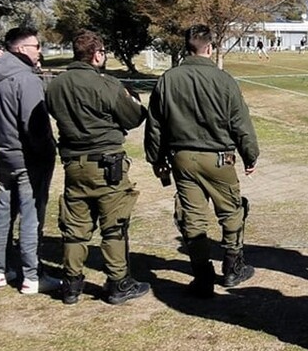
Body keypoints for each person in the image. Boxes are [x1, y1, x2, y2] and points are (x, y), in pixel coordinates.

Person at [145, 25, 260, 298]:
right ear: (209, 47)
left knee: (192, 217)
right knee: (231, 212)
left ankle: (202, 275)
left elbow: (155, 124)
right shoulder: (224, 80)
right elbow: (240, 122)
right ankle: (232, 267)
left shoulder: (168, 79)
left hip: (182, 159)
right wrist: (250, 155)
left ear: (187, 48)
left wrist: (155, 158)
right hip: (218, 158)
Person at [45, 30, 151, 305]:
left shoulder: (55, 85)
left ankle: (71, 285)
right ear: (96, 54)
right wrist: (131, 99)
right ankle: (119, 283)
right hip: (106, 164)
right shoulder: (106, 84)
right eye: (103, 52)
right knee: (114, 224)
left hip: (73, 165)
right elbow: (134, 117)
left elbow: (55, 112)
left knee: (75, 228)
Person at [0, 27, 57, 293]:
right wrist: (47, 151)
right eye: (37, 46)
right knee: (31, 214)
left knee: (3, 211)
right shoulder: (26, 79)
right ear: (22, 49)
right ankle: (32, 275)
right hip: (27, 157)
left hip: (3, 154)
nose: (40, 51)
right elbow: (34, 124)